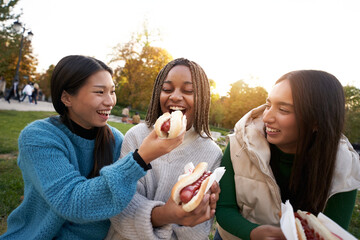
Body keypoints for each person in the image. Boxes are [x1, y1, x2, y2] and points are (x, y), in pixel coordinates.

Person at [0, 55, 184, 240]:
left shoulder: (116, 140)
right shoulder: (37, 137)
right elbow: (73, 203)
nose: (110, 101)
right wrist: (140, 159)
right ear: (66, 97)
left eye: (112, 91)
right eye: (99, 92)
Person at [214, 70, 360, 240]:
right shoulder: (240, 143)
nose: (266, 117)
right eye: (268, 105)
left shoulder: (345, 165)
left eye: (283, 109)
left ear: (316, 121)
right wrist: (253, 233)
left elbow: (333, 231)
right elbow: (224, 207)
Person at [106, 58, 223, 240]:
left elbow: (198, 231)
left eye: (189, 91)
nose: (175, 96)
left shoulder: (212, 153)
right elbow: (119, 207)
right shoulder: (136, 135)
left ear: (203, 99)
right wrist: (167, 215)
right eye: (167, 89)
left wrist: (194, 212)